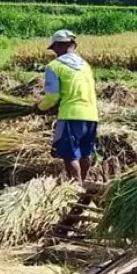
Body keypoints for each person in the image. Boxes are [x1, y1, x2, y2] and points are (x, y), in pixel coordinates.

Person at [34, 30, 99, 182]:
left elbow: (52, 97)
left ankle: (76, 188)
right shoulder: (85, 65)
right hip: (91, 115)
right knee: (84, 154)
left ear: (57, 46)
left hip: (70, 116)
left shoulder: (54, 66)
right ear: (73, 46)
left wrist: (39, 108)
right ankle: (83, 185)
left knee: (69, 155)